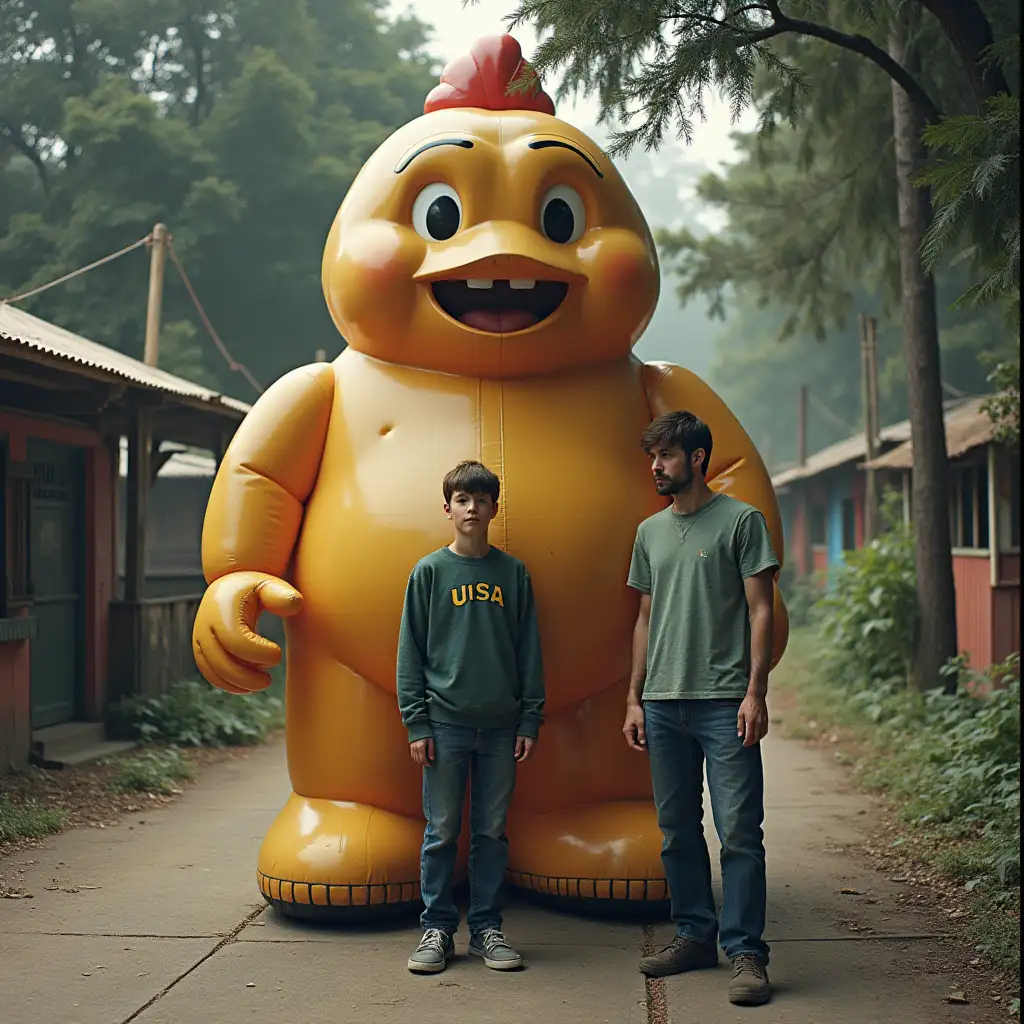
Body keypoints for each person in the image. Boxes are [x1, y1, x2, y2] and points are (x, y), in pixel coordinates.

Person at [623, 411, 778, 1007]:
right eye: (653, 457)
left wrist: (755, 691)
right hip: (662, 704)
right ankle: (693, 935)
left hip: (723, 703)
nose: (657, 467)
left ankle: (746, 953)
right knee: (676, 831)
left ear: (698, 458)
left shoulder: (741, 522)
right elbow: (643, 617)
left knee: (740, 833)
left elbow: (760, 609)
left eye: (666, 455)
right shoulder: (649, 532)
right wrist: (634, 697)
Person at [397, 460, 545, 975]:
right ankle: (436, 929)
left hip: (503, 727)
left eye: (481, 500)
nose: (472, 508)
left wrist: (530, 719)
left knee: (491, 833)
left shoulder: (513, 573)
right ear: (447, 508)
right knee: (441, 831)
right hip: (444, 725)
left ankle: (486, 929)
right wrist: (416, 723)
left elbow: (530, 651)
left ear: (493, 509)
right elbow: (409, 652)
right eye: (462, 500)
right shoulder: (429, 572)